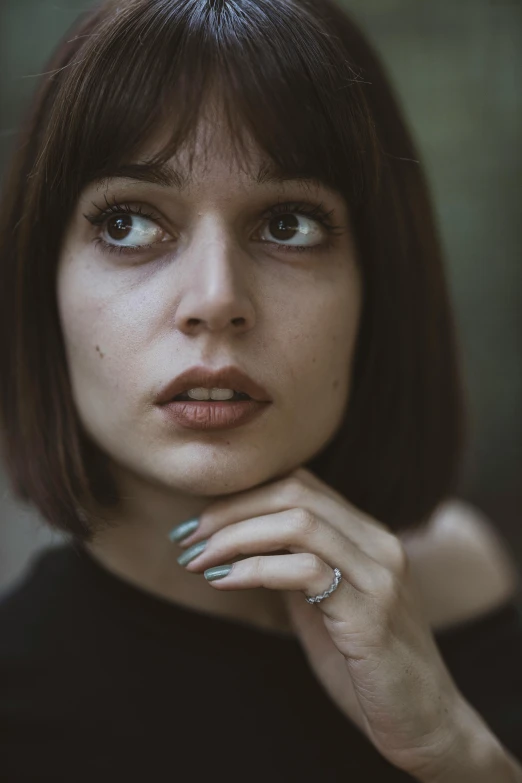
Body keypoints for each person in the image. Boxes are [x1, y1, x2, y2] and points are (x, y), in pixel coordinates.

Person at [0, 0, 521, 780]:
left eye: (288, 225)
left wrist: (457, 752)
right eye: (129, 224)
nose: (215, 297)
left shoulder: (466, 568)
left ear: (378, 285)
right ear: (44, 286)